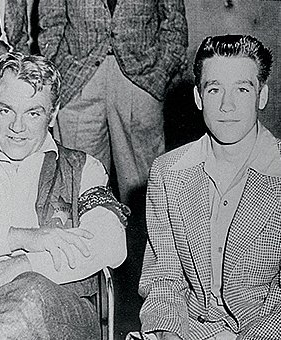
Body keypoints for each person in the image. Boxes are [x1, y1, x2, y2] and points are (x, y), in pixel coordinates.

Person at [0, 52, 129, 339]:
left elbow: (110, 242)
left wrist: (23, 265)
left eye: (33, 113)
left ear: (52, 115)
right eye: (6, 110)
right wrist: (24, 238)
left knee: (31, 294)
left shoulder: (83, 169)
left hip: (62, 315)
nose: (17, 127)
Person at [139, 35, 280, 340]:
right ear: (199, 97)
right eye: (215, 89)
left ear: (262, 96)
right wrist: (169, 334)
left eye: (242, 89)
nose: (227, 105)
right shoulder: (167, 173)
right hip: (188, 329)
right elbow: (165, 278)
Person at [13, 0, 188, 206]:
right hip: (78, 79)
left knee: (146, 187)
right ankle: (85, 237)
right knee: (77, 182)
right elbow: (50, 21)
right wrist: (60, 69)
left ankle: (145, 237)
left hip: (141, 80)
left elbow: (174, 22)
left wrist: (161, 71)